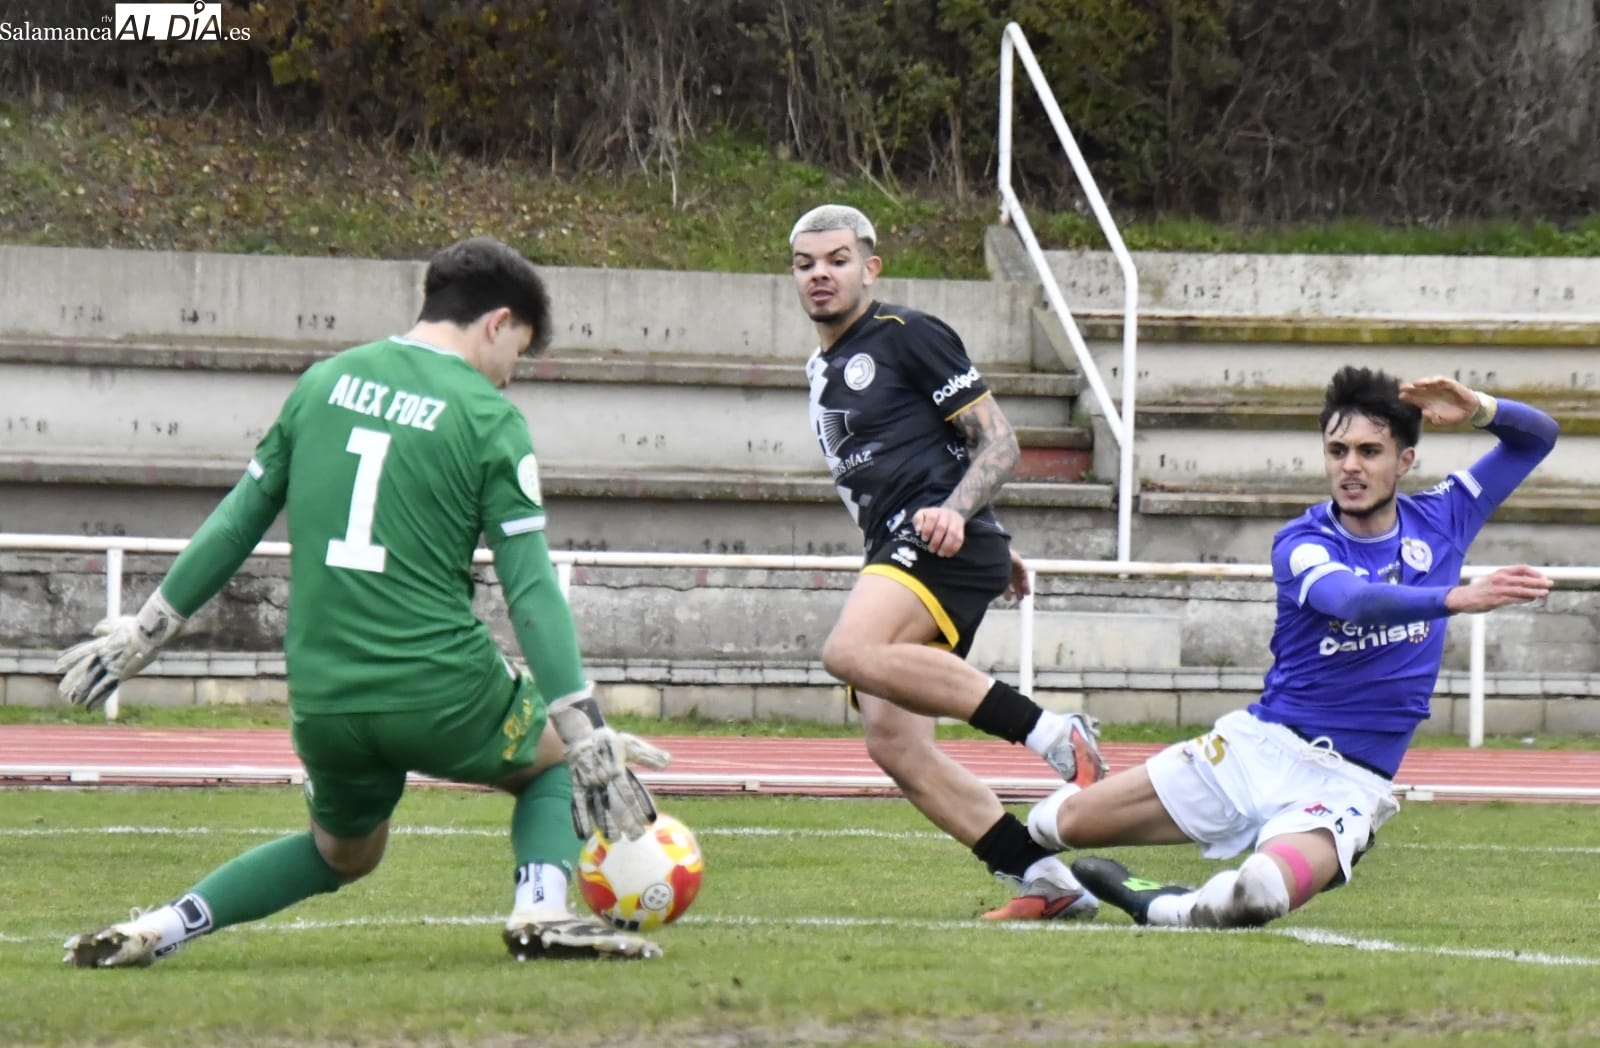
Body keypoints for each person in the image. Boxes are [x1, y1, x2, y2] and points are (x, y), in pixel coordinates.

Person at [57, 236, 672, 966]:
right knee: (556, 762)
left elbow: (236, 520)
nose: (512, 377)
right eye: (519, 355)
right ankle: (540, 910)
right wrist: (584, 725)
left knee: (342, 853)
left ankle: (164, 927)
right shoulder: (487, 417)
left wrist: (146, 632)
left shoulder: (323, 382)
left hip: (325, 696)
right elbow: (530, 585)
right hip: (438, 684)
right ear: (497, 323)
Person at [1028, 366, 1557, 928]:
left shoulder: (1445, 515)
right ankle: (1051, 870)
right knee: (1056, 822)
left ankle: (1158, 905)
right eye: (1338, 449)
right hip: (1258, 750)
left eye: (1370, 450)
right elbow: (1351, 600)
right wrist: (1451, 599)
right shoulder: (1302, 542)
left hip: (1350, 779)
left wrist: (1478, 407)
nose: (1350, 466)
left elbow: (1538, 437)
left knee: (1258, 894)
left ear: (1404, 461)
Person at [789, 204, 1109, 921]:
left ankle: (1054, 733)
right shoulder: (823, 367)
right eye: (806, 263)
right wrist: (990, 534)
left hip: (937, 537)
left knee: (849, 649)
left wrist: (963, 516)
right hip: (918, 541)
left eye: (837, 260)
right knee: (894, 741)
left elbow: (999, 444)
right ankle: (1046, 882)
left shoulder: (908, 335)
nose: (820, 274)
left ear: (870, 268)